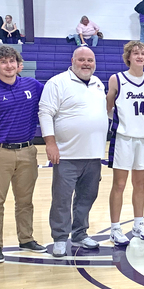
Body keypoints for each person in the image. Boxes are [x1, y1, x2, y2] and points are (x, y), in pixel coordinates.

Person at [0, 46, 46, 264]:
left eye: (12, 61)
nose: (9, 65)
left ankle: (26, 239)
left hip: (27, 151)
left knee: (25, 201)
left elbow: (54, 101)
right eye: (3, 62)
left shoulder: (33, 86)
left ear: (18, 63)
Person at [38, 46, 107, 258]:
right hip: (66, 154)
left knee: (87, 197)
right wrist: (50, 143)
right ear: (73, 60)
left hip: (94, 155)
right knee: (62, 198)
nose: (86, 63)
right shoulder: (57, 82)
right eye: (82, 60)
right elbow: (45, 112)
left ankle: (79, 234)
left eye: (90, 60)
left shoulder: (98, 84)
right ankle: (59, 238)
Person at [106, 40, 144, 244]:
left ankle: (138, 223)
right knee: (119, 184)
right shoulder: (116, 79)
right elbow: (108, 107)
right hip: (123, 138)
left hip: (143, 138)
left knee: (140, 184)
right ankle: (115, 228)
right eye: (135, 53)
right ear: (128, 57)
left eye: (143, 53)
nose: (139, 56)